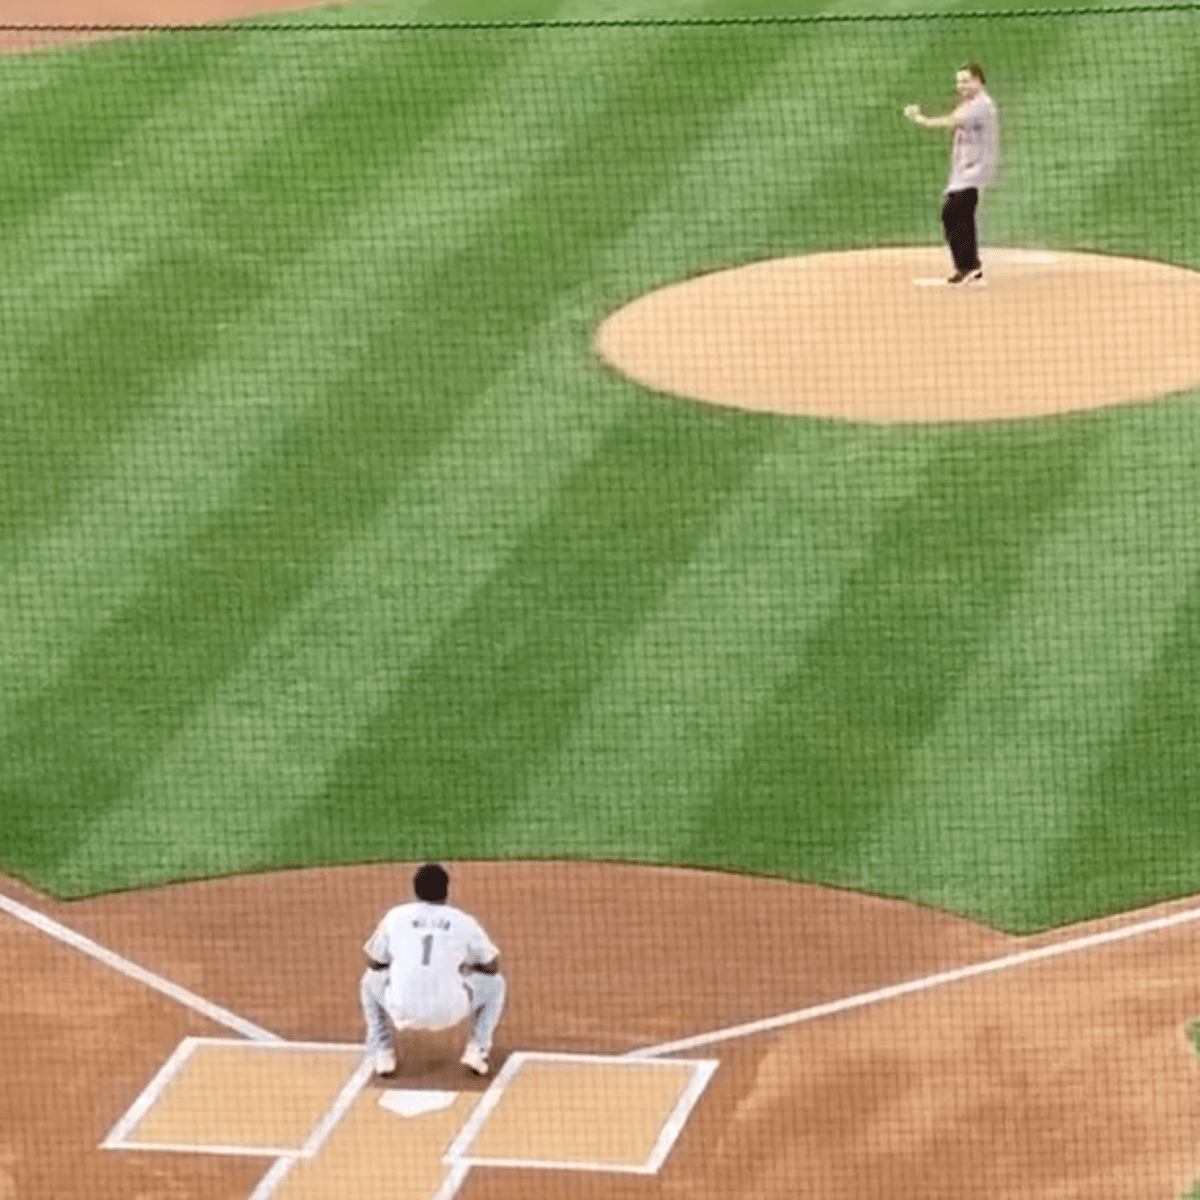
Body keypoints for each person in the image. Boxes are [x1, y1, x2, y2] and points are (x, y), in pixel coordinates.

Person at [359, 863, 507, 1078]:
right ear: (447, 890)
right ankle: (478, 1050)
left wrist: (401, 963)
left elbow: (374, 963)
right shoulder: (462, 921)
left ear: (415, 890)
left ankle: (382, 1053)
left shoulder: (396, 917)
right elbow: (492, 967)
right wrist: (464, 967)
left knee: (368, 982)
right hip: (451, 1011)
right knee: (496, 985)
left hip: (401, 1008)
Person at [904, 62, 999, 284]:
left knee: (952, 212)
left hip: (971, 172)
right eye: (959, 82)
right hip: (965, 171)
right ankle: (969, 267)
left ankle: (968, 266)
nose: (961, 86)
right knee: (960, 216)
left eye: (965, 81)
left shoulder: (981, 105)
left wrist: (920, 119)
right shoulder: (972, 103)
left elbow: (949, 121)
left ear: (978, 80)